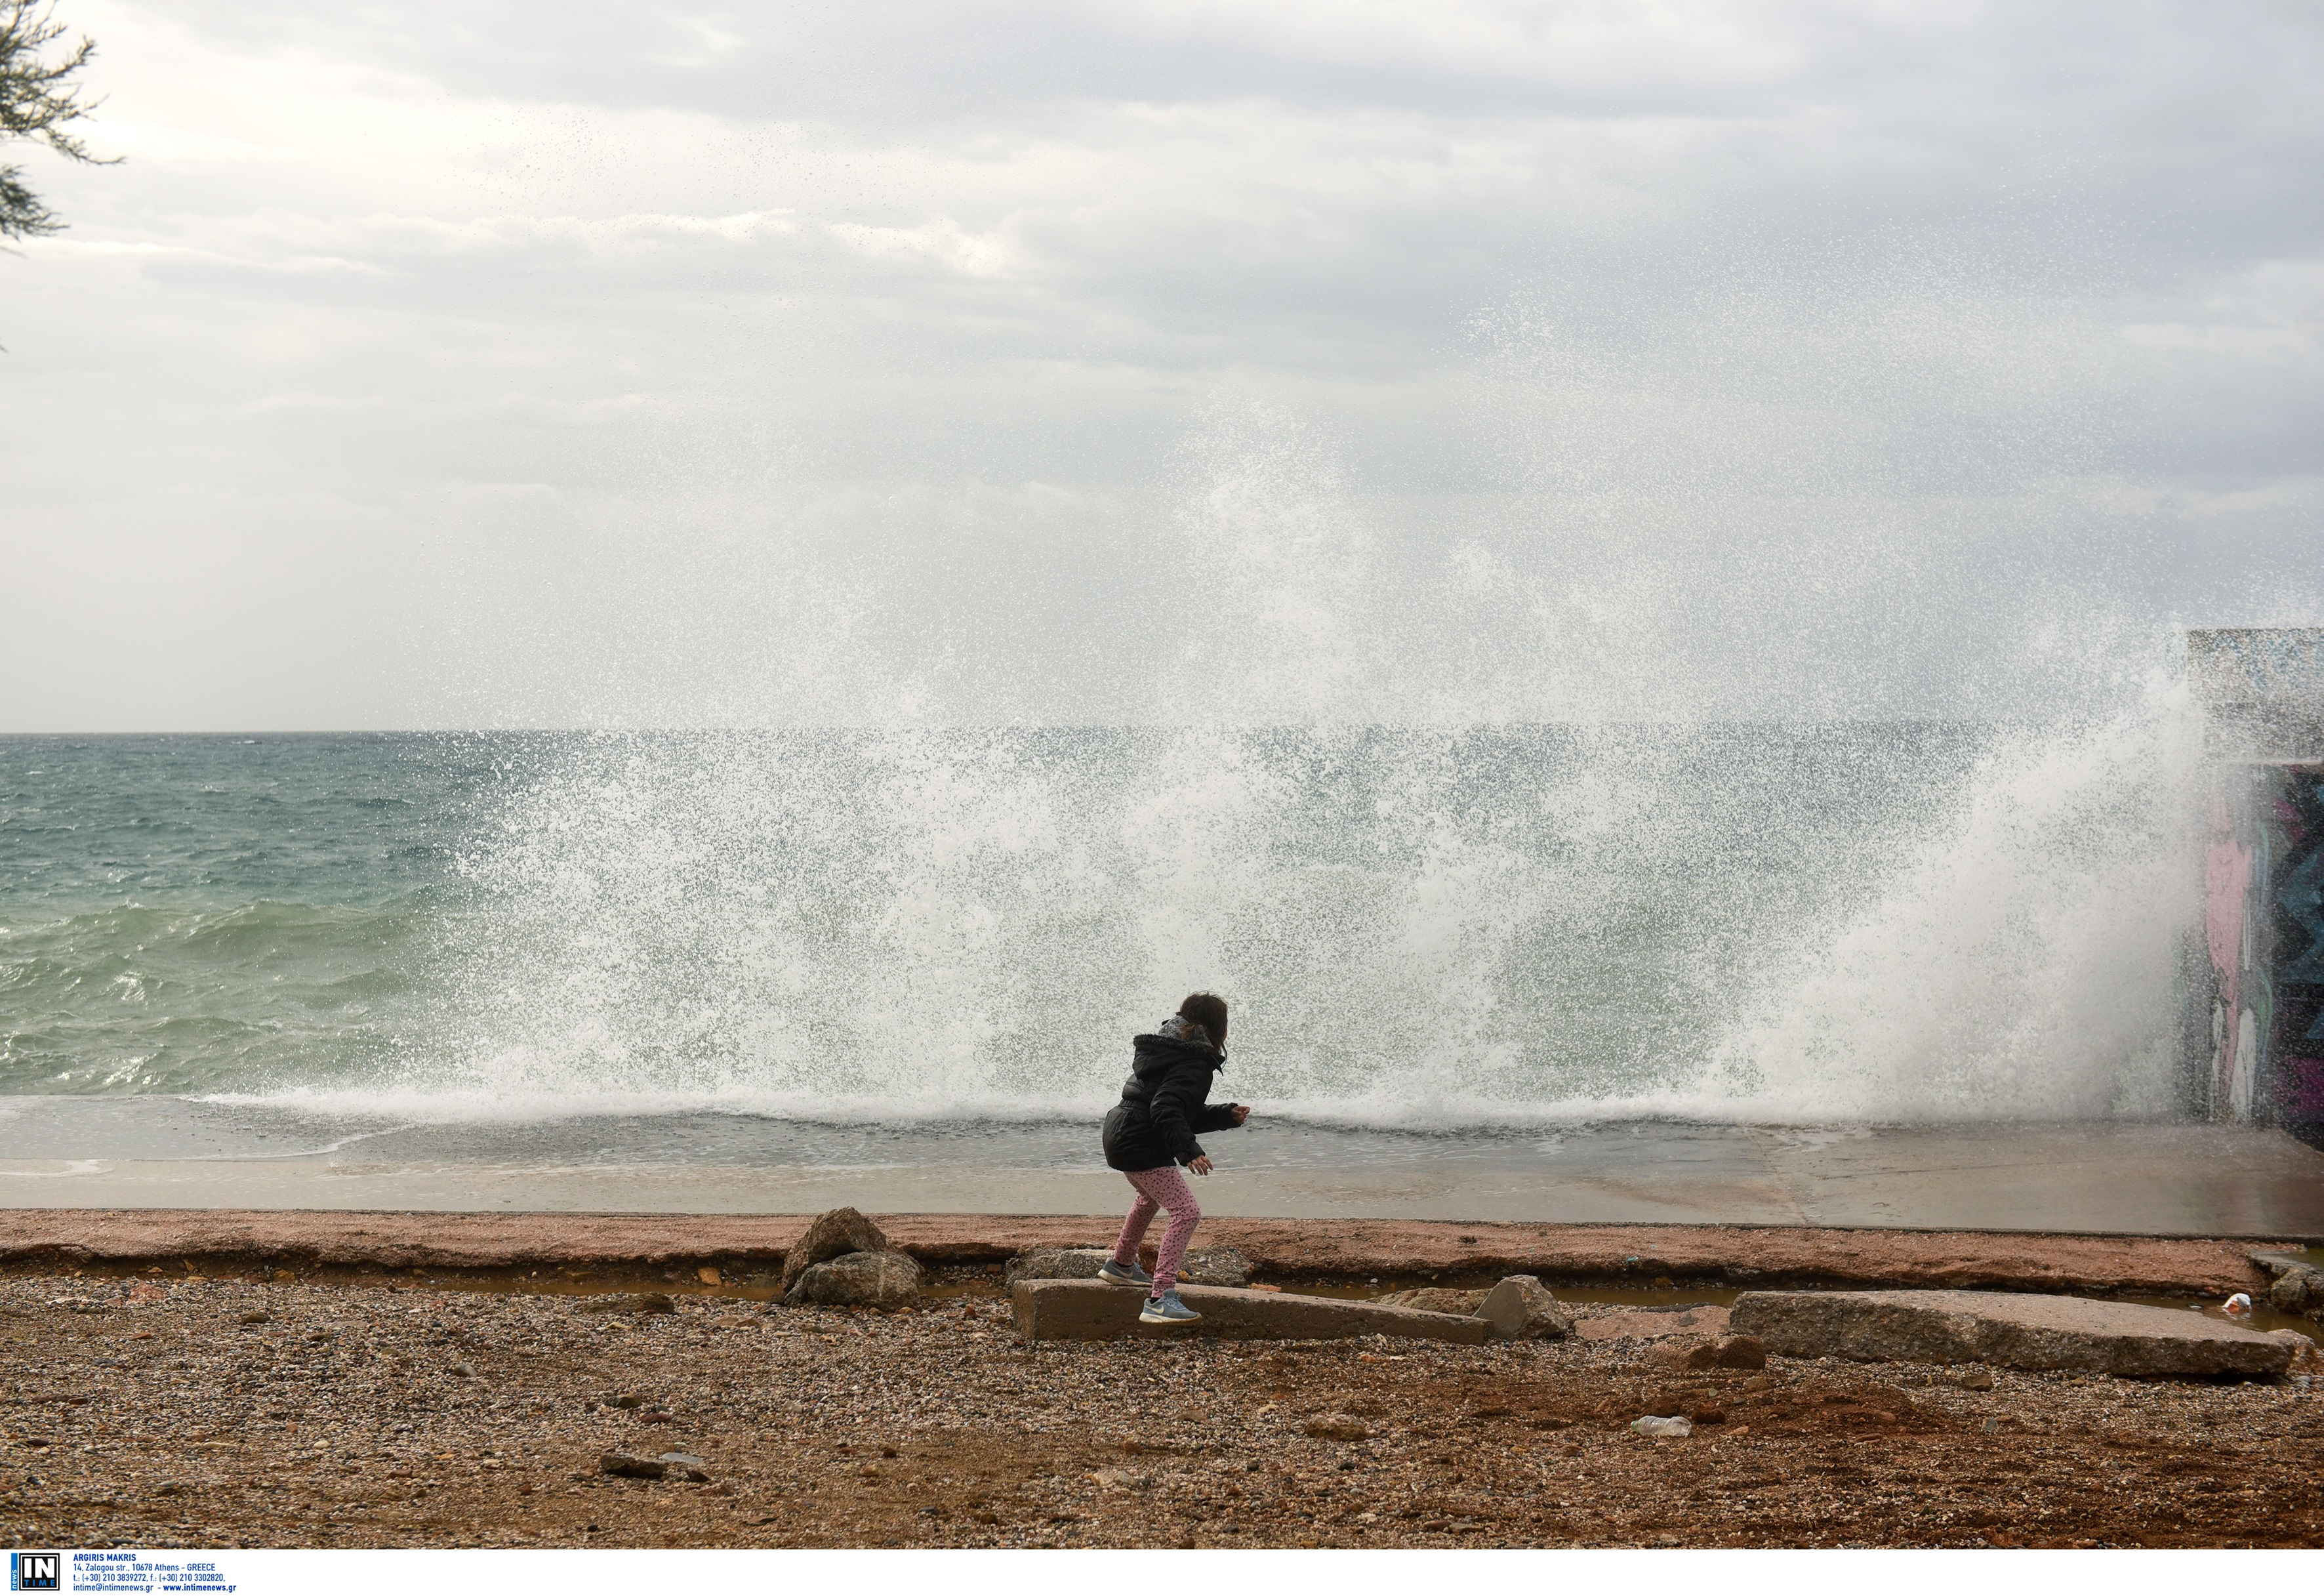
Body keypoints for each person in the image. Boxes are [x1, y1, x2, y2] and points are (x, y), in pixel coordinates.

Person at [1098, 991, 1250, 1324]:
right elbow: (1165, 1109)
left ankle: (1121, 1265)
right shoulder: (1196, 1062)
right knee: (1187, 1212)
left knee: (1149, 1199)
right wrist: (1189, 1151)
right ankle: (1160, 1297)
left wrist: (1224, 1116)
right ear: (1219, 1032)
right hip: (1141, 1141)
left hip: (1121, 1134)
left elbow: (1176, 1109)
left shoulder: (1165, 1051)